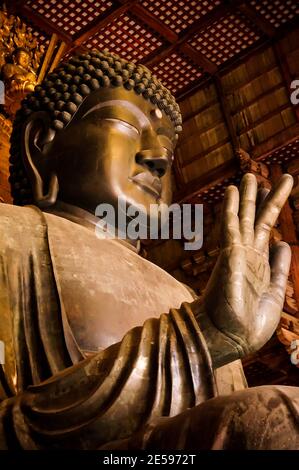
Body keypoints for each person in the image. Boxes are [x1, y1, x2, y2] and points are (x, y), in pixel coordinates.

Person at [0, 49, 298, 450]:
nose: (158, 158)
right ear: (42, 142)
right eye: (126, 124)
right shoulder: (10, 236)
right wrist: (199, 338)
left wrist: (214, 335)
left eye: (168, 151)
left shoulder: (187, 297)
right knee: (271, 417)